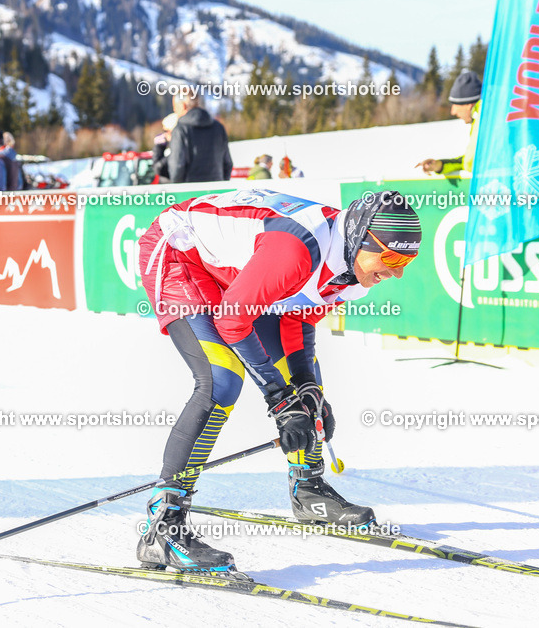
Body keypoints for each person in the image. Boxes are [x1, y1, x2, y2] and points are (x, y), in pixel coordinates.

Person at [135, 189, 421, 572]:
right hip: (180, 256)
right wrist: (280, 401)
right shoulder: (294, 252)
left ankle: (308, 489)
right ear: (360, 240)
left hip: (238, 272)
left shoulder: (352, 268)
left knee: (304, 385)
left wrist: (304, 389)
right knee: (221, 380)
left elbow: (297, 318)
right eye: (390, 257)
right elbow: (233, 321)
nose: (397, 271)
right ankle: (163, 526)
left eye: (407, 261)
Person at [416, 70, 482, 179]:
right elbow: (470, 161)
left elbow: (472, 162)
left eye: (455, 105)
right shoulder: (478, 120)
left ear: (468, 104)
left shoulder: (485, 121)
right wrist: (439, 165)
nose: (453, 112)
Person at [167, 91, 232, 183]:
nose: (174, 110)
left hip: (190, 192)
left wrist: (178, 189)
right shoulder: (218, 127)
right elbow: (227, 163)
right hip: (217, 191)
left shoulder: (180, 130)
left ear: (183, 106)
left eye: (175, 107)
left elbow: (177, 166)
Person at [151, 113, 177, 183]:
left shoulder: (177, 151)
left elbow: (158, 168)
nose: (165, 134)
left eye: (166, 131)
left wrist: (159, 147)